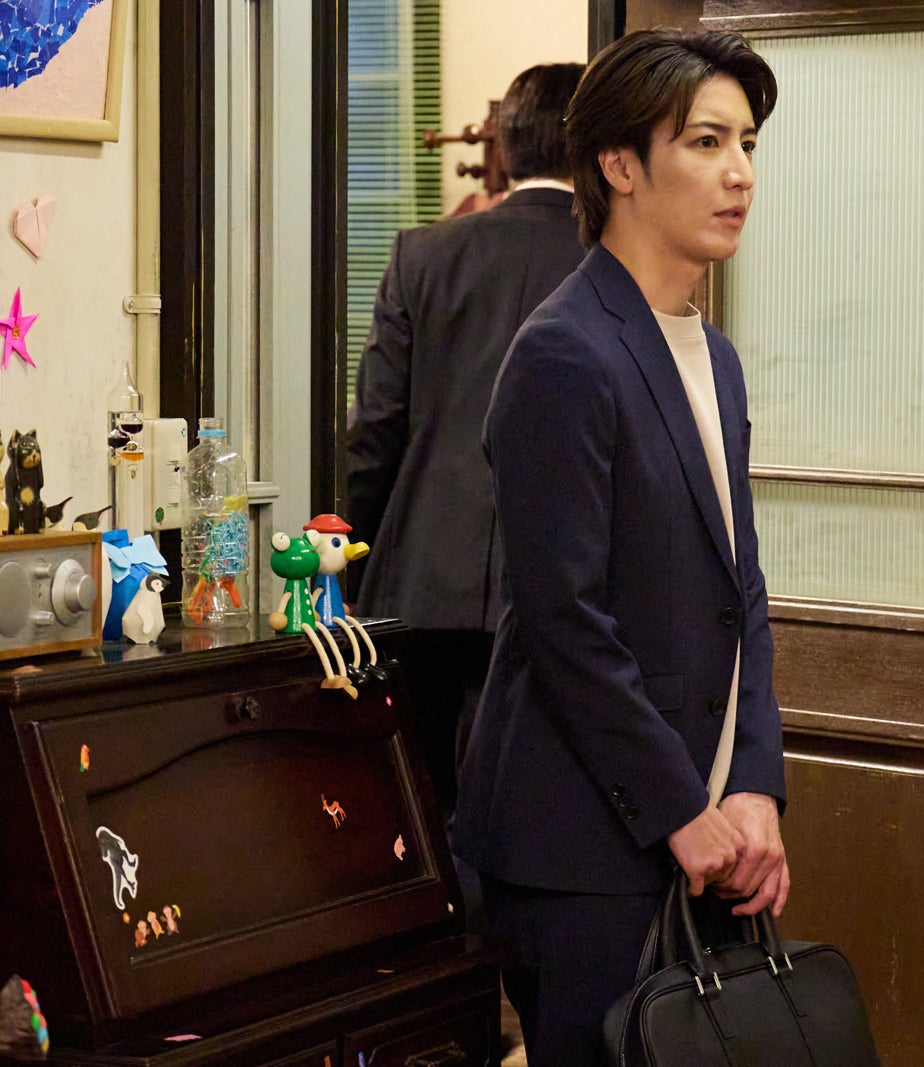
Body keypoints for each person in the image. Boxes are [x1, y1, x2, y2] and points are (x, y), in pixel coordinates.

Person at [451, 29, 788, 1064]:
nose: (739, 171)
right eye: (705, 141)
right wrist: (680, 806)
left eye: (747, 142)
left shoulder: (713, 356)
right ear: (619, 165)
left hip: (707, 827)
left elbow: (742, 588)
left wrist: (755, 783)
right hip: (582, 843)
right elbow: (566, 620)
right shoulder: (563, 351)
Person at [345, 62, 586, 820]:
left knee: (416, 807)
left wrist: (351, 564)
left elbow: (374, 430)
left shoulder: (422, 255)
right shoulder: (612, 265)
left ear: (503, 146)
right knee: (530, 814)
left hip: (417, 577)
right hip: (557, 586)